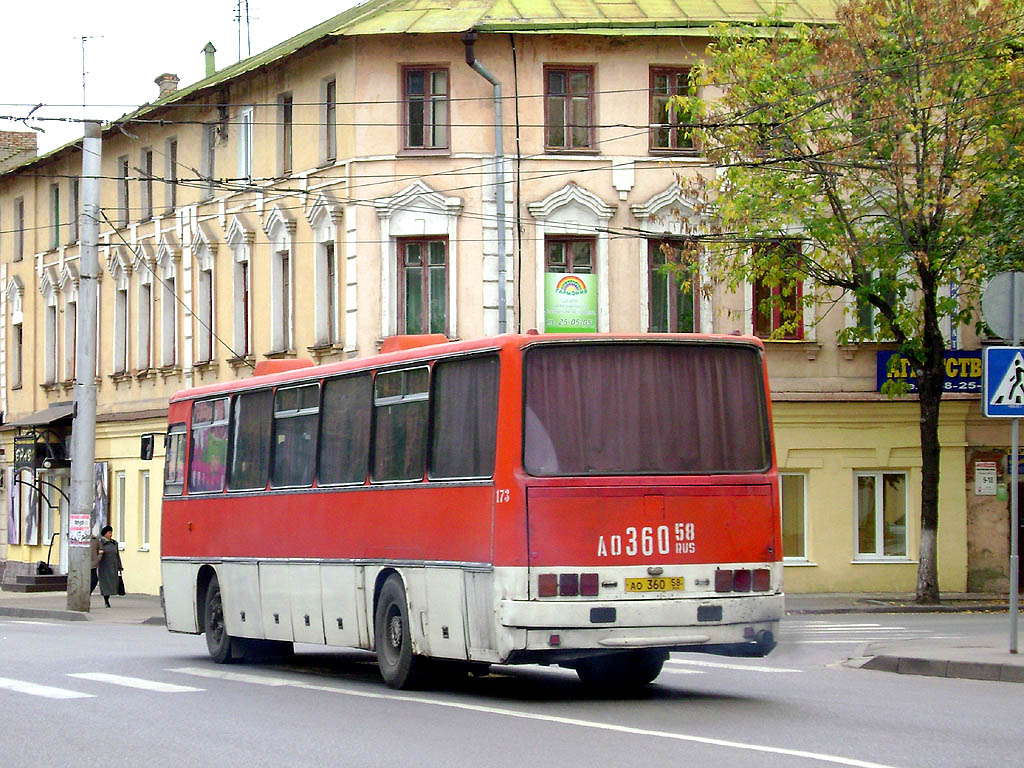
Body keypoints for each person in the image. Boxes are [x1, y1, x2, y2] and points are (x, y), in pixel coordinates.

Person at [97, 525, 123, 608]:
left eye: (111, 532)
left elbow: (117, 555)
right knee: (105, 584)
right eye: (109, 533)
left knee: (112, 583)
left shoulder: (114, 543)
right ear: (105, 534)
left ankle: (108, 597)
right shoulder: (100, 543)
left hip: (113, 566)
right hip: (104, 567)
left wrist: (119, 566)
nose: (111, 534)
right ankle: (106, 600)